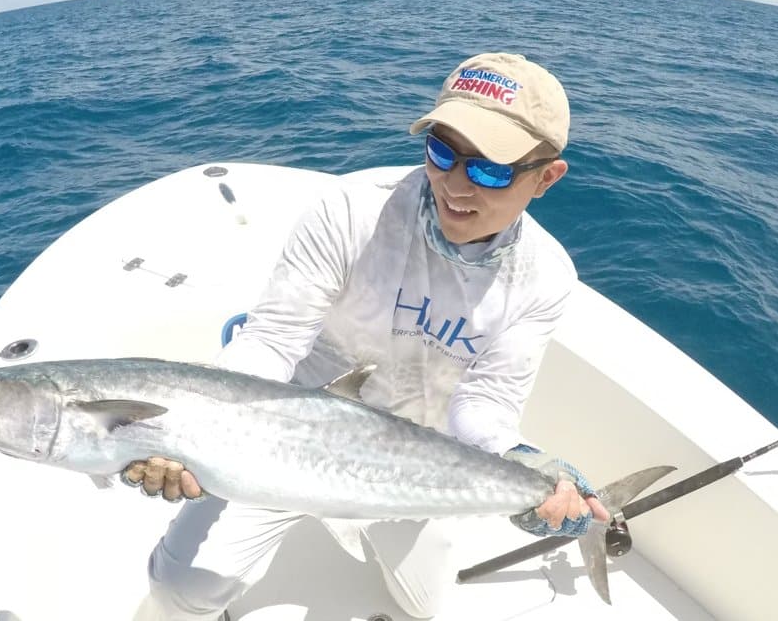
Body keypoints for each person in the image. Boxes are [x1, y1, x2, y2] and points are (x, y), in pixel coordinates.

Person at [126, 52, 609, 620]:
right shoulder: (351, 211)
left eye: (490, 170)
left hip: (412, 461)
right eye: (443, 152)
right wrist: (190, 431)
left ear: (546, 177)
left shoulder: (544, 274)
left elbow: (487, 400)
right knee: (178, 587)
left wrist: (522, 459)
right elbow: (274, 341)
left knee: (424, 608)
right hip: (279, 439)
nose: (456, 184)